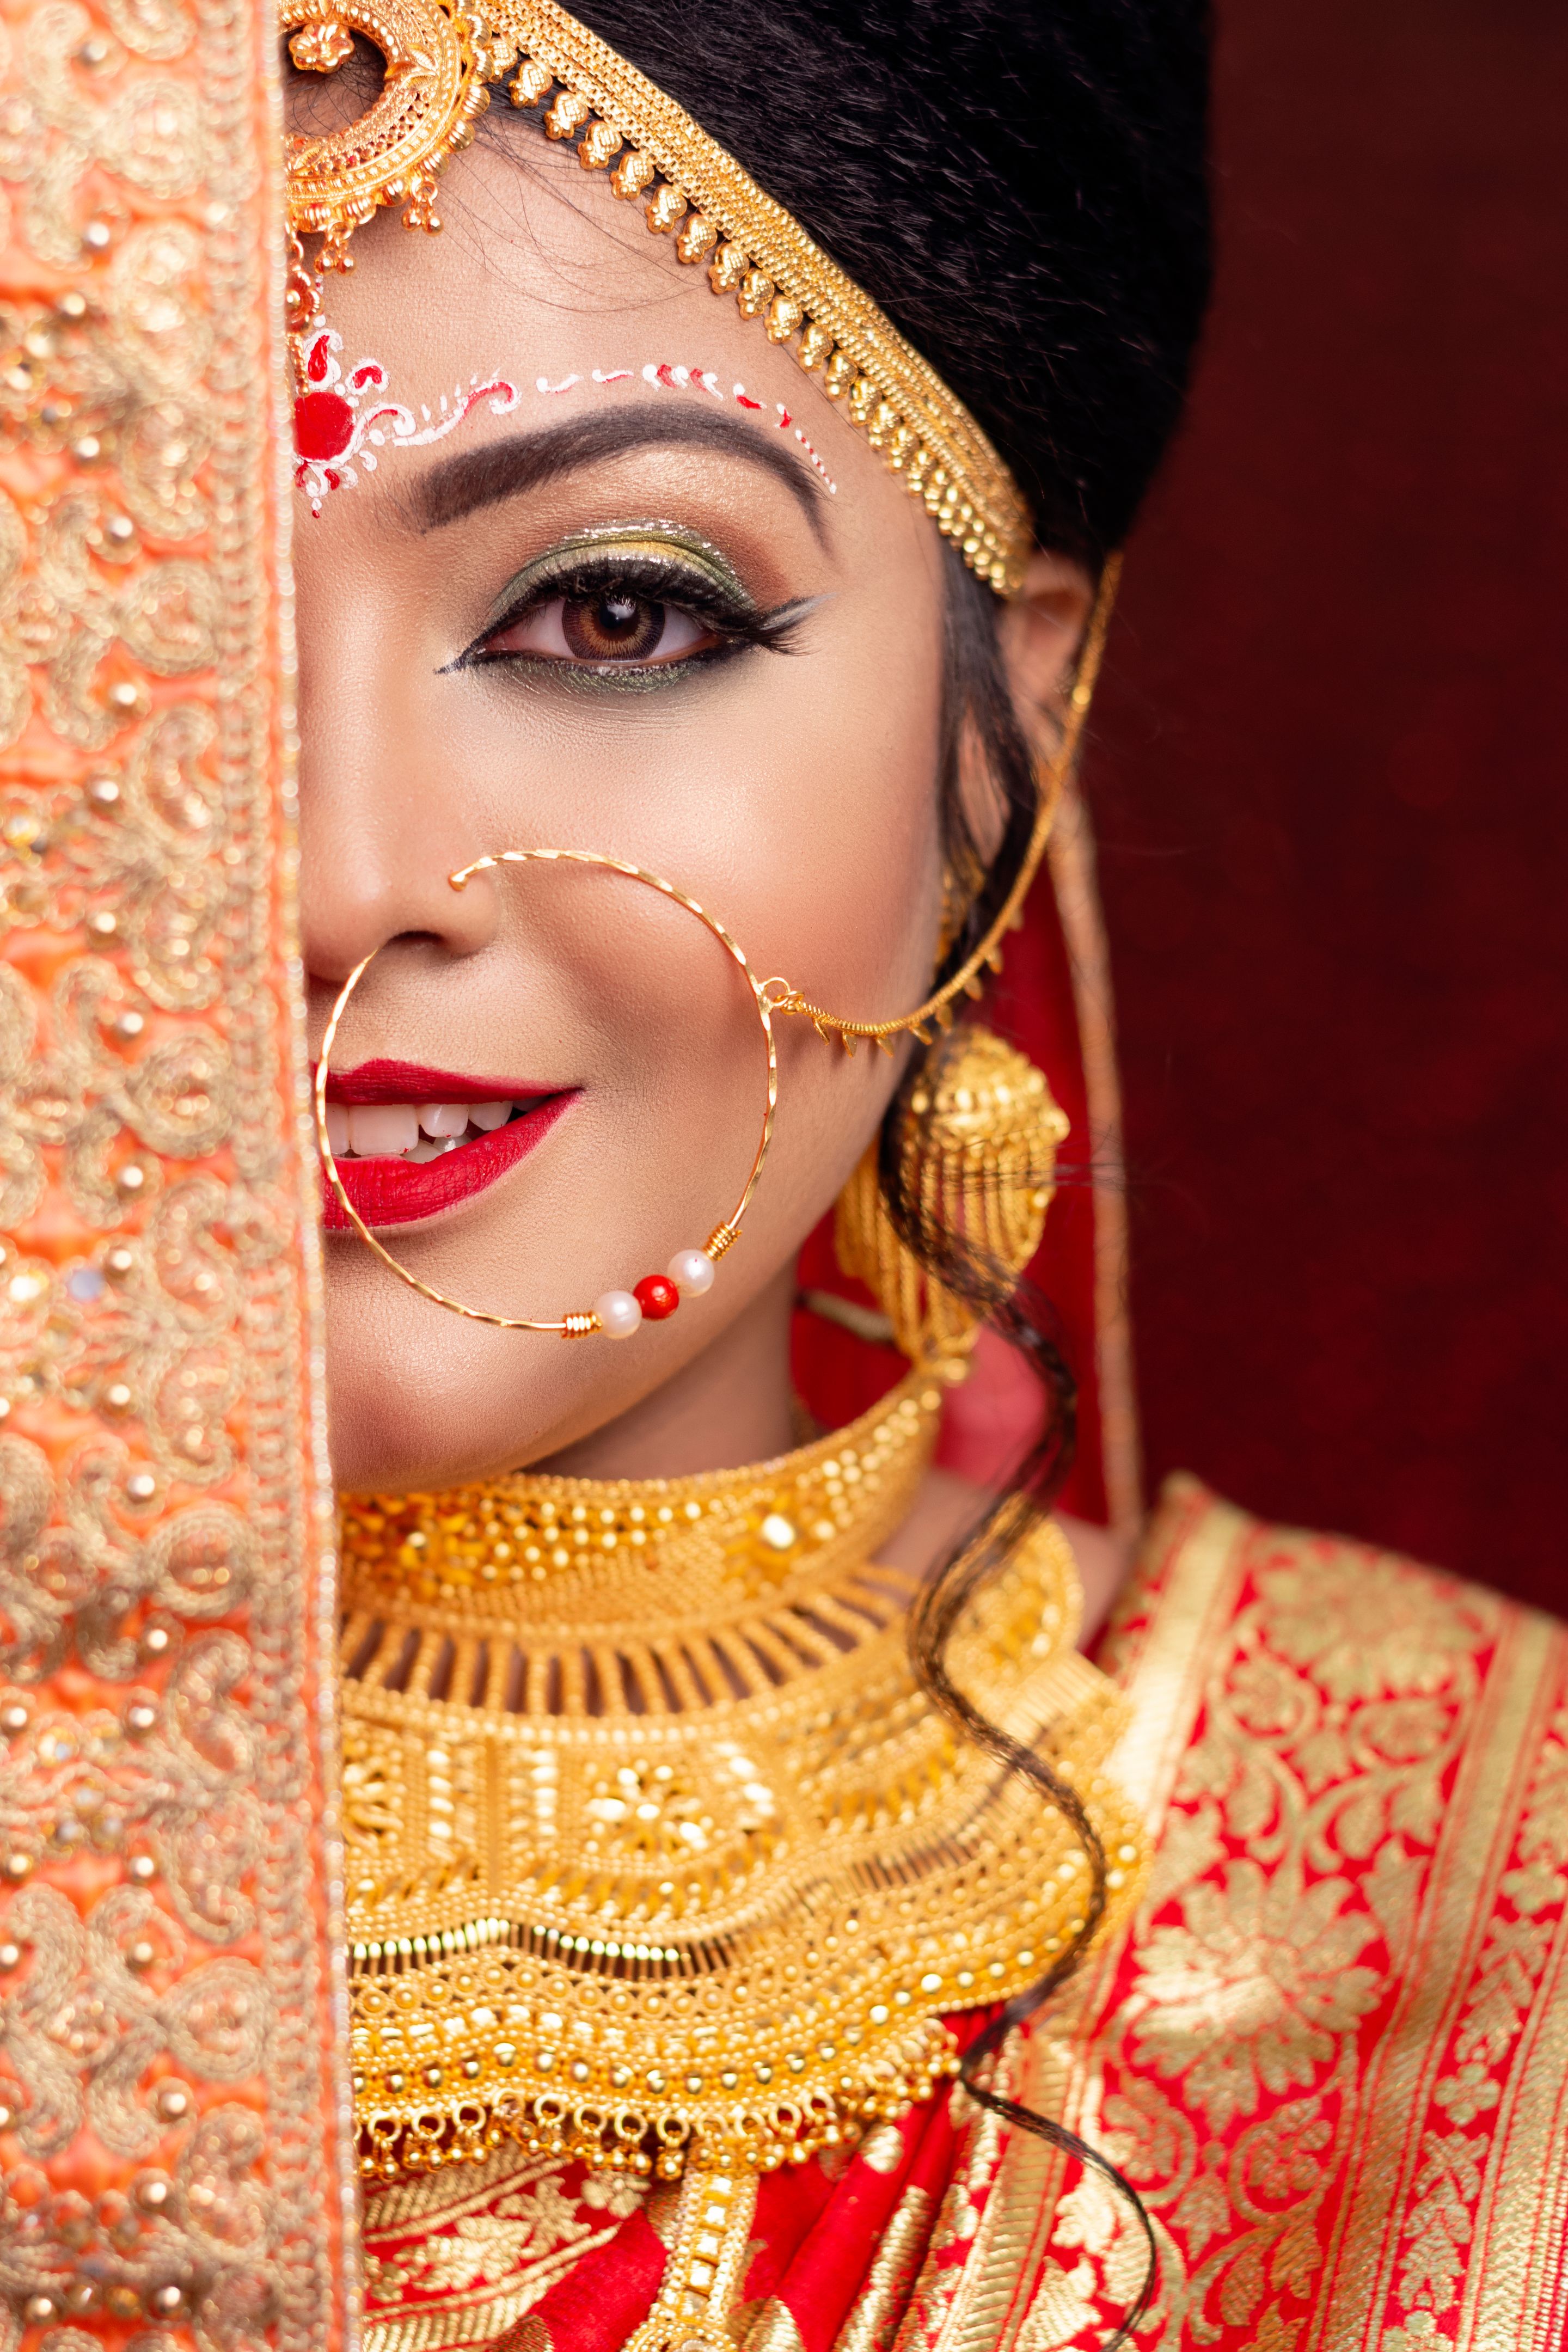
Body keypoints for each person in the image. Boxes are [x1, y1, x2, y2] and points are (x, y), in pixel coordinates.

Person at [1, 3, 1563, 2350]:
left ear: (1005, 726)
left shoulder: (1491, 1940)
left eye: (615, 613)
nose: (318, 884)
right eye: (78, 608)